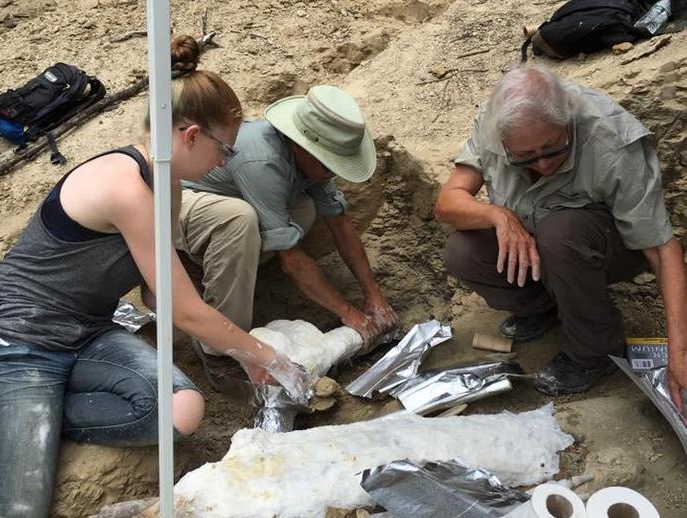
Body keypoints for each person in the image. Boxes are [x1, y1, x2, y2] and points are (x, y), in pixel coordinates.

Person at [0, 35, 310, 518]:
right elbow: (182, 309)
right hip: (20, 340)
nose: (225, 162)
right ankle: (21, 415)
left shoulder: (168, 184)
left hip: (86, 332)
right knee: (22, 507)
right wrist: (263, 356)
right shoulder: (123, 186)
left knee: (181, 409)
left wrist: (213, 323)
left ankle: (39, 412)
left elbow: (156, 295)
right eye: (225, 151)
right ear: (190, 136)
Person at [435, 65, 687, 403]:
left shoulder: (612, 141)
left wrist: (680, 352)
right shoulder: (495, 124)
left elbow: (661, 249)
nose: (541, 164)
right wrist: (498, 214)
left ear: (567, 119)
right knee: (462, 251)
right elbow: (447, 204)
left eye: (552, 149)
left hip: (600, 246)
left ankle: (595, 350)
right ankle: (545, 307)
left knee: (560, 232)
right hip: (541, 237)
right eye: (524, 157)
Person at [176, 84, 398, 382]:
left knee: (304, 210)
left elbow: (340, 222)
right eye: (328, 164)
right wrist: (349, 313)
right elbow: (291, 260)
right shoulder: (262, 161)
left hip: (223, 206)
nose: (331, 173)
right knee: (239, 221)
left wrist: (374, 297)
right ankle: (218, 349)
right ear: (301, 146)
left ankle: (226, 269)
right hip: (177, 207)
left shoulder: (309, 161)